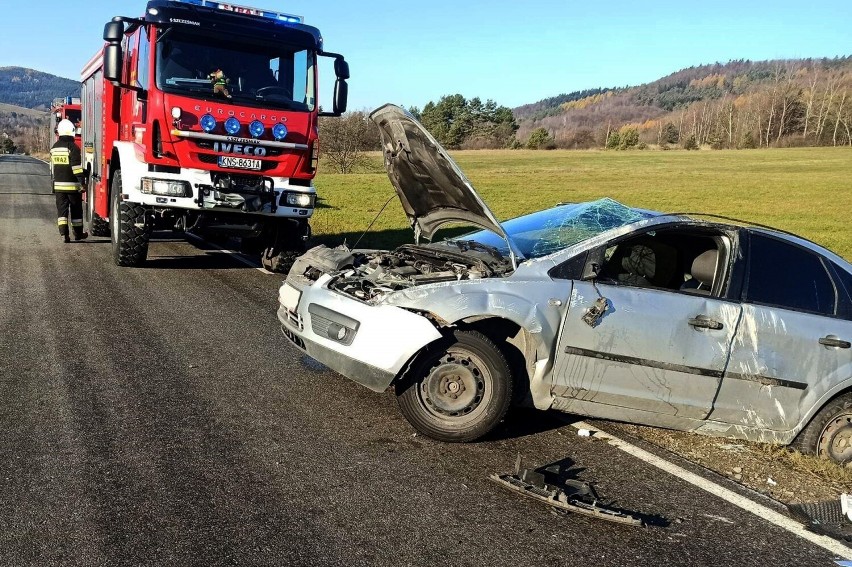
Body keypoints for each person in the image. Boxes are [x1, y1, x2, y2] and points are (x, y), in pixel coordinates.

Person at [50, 119, 87, 243]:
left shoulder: (54, 148)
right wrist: (82, 182)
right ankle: (78, 234)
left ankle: (63, 234)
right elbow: (76, 168)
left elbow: (54, 167)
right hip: (72, 187)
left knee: (62, 211)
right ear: (72, 132)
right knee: (76, 210)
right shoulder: (73, 147)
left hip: (59, 187)